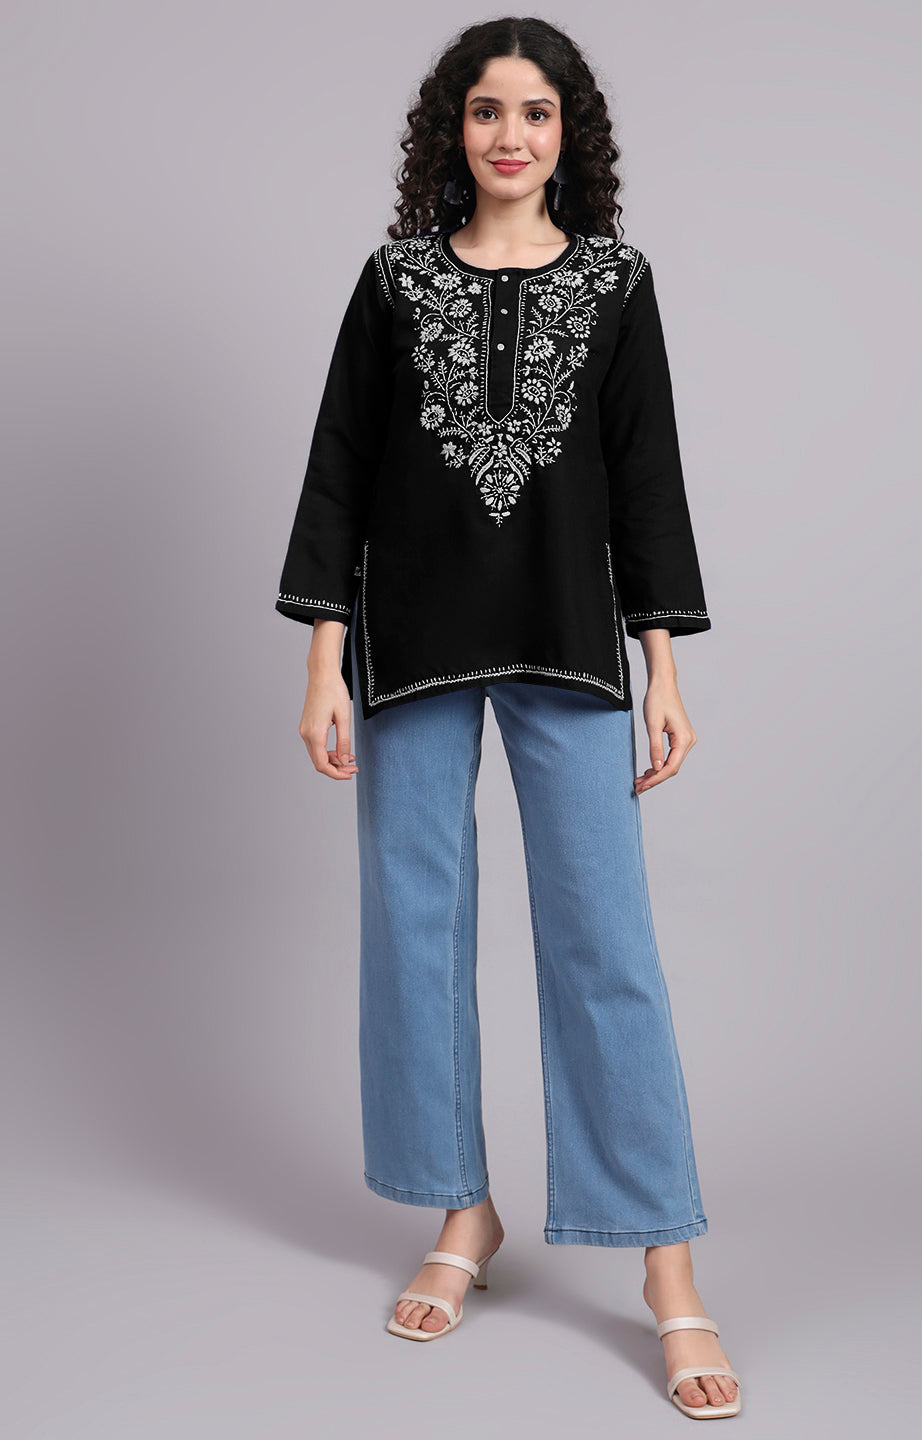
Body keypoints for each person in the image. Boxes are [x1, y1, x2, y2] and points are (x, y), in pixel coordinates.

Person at [274, 16, 741, 1421]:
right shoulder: (394, 280)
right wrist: (322, 661)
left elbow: (645, 478)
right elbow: (339, 466)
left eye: (536, 112)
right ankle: (459, 1211)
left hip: (570, 648)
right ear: (453, 129)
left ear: (568, 132)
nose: (511, 136)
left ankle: (667, 1268)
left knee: (607, 945)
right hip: (410, 649)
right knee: (414, 934)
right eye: (487, 111)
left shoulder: (615, 282)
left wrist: (665, 668)